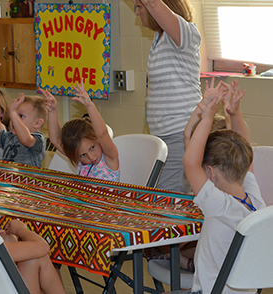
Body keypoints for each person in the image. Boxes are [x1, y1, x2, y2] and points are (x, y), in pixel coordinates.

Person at [182, 83, 265, 293]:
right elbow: (244, 147)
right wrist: (235, 114)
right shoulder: (255, 201)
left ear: (210, 173)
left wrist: (208, 115)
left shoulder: (219, 206)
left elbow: (190, 162)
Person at [132, 0, 201, 193]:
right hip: (163, 136)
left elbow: (153, 3)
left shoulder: (185, 35)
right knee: (163, 198)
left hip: (180, 134)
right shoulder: (160, 39)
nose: (136, 13)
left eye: (138, 7)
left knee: (170, 201)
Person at [45, 81, 120, 182]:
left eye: (92, 148)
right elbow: (56, 139)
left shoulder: (109, 158)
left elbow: (102, 134)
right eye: (83, 155)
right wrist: (52, 111)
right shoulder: (82, 162)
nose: (91, 157)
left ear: (97, 139)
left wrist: (90, 106)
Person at [0, 87, 47, 167]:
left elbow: (25, 139)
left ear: (37, 123)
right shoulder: (8, 137)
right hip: (7, 178)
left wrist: (13, 112)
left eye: (21, 116)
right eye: (13, 115)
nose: (13, 119)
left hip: (25, 179)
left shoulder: (38, 139)